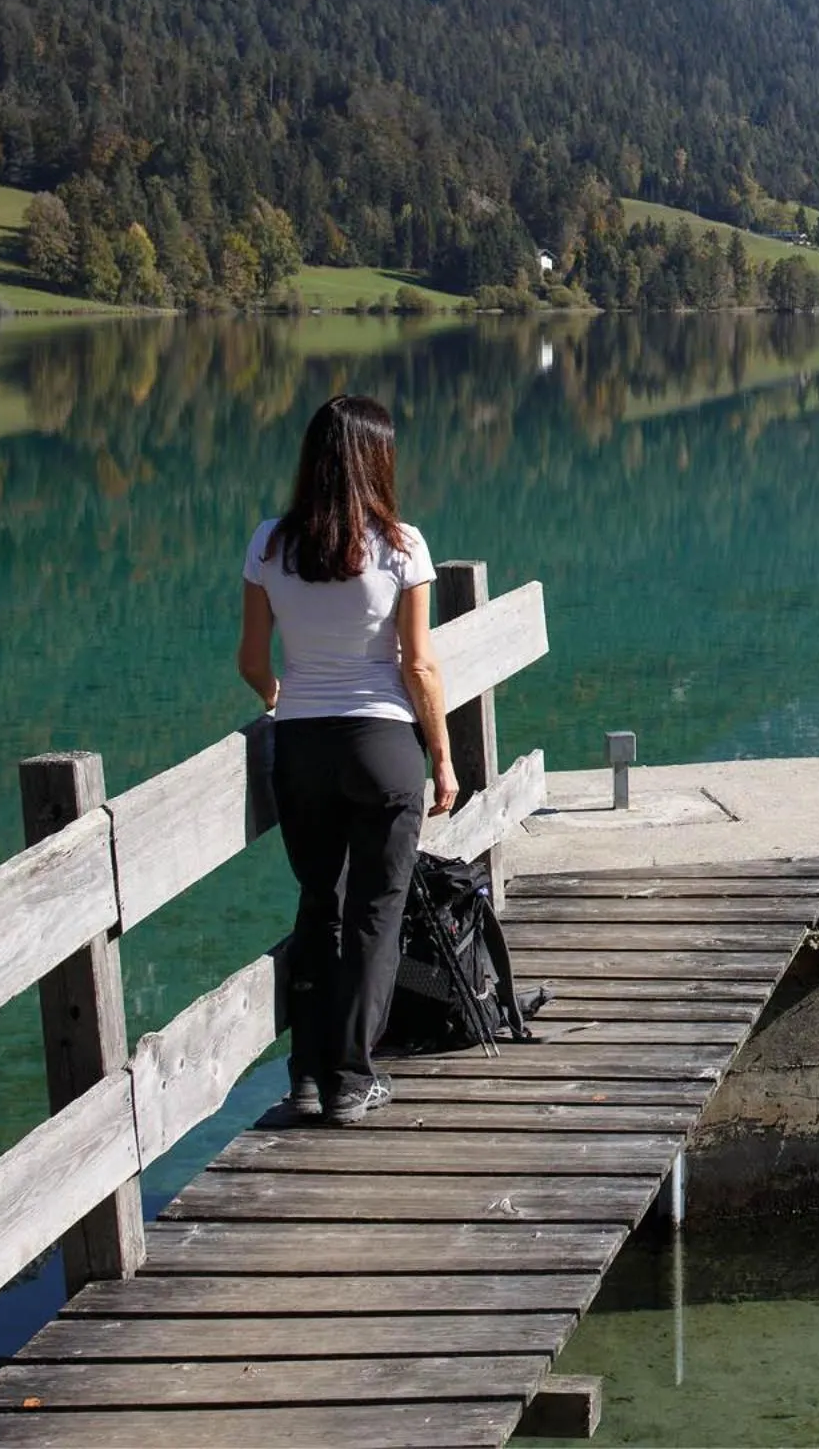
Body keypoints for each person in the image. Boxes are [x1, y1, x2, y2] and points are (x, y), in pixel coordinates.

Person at [237, 394, 458, 1125]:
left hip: (301, 747)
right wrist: (445, 759)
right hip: (383, 746)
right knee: (374, 914)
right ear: (376, 459)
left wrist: (283, 696)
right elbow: (420, 668)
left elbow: (251, 661)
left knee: (318, 906)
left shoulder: (270, 544)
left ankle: (306, 1075)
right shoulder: (402, 546)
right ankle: (353, 1080)